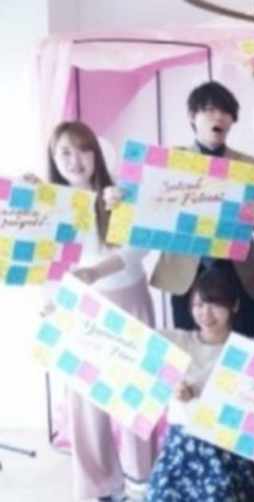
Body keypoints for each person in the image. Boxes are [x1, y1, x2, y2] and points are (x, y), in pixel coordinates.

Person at [41, 121, 158, 501]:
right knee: (86, 403)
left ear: (96, 153)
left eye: (83, 149)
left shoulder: (120, 193)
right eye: (64, 152)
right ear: (53, 158)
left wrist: (96, 271)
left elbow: (138, 249)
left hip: (128, 299)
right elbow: (43, 263)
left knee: (135, 396)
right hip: (80, 309)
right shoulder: (49, 204)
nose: (74, 160)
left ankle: (141, 482)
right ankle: (101, 487)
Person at [150, 81, 254, 337]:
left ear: (232, 120)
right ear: (192, 116)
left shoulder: (248, 165)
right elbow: (149, 210)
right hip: (186, 273)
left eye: (225, 112)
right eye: (209, 110)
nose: (219, 117)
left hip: (236, 270)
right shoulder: (171, 161)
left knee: (244, 341)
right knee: (190, 344)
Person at [146, 268, 254, 501]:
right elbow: (132, 339)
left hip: (222, 446)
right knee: (159, 493)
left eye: (215, 304)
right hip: (180, 442)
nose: (205, 313)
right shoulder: (177, 340)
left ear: (235, 305)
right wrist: (170, 386)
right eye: (198, 304)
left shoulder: (248, 351)